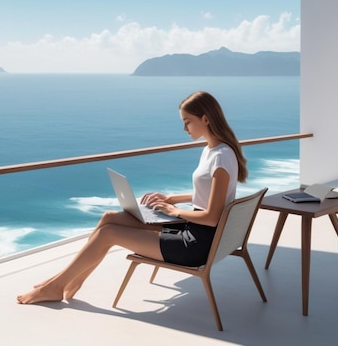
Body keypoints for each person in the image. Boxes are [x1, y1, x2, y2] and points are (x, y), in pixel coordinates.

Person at [16, 91, 248, 304]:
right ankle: (69, 280)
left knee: (108, 233)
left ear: (205, 119)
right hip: (193, 229)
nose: (185, 128)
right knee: (109, 217)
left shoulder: (220, 157)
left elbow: (212, 217)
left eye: (187, 121)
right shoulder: (213, 150)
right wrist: (172, 198)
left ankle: (56, 286)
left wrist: (173, 212)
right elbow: (209, 194)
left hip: (196, 243)